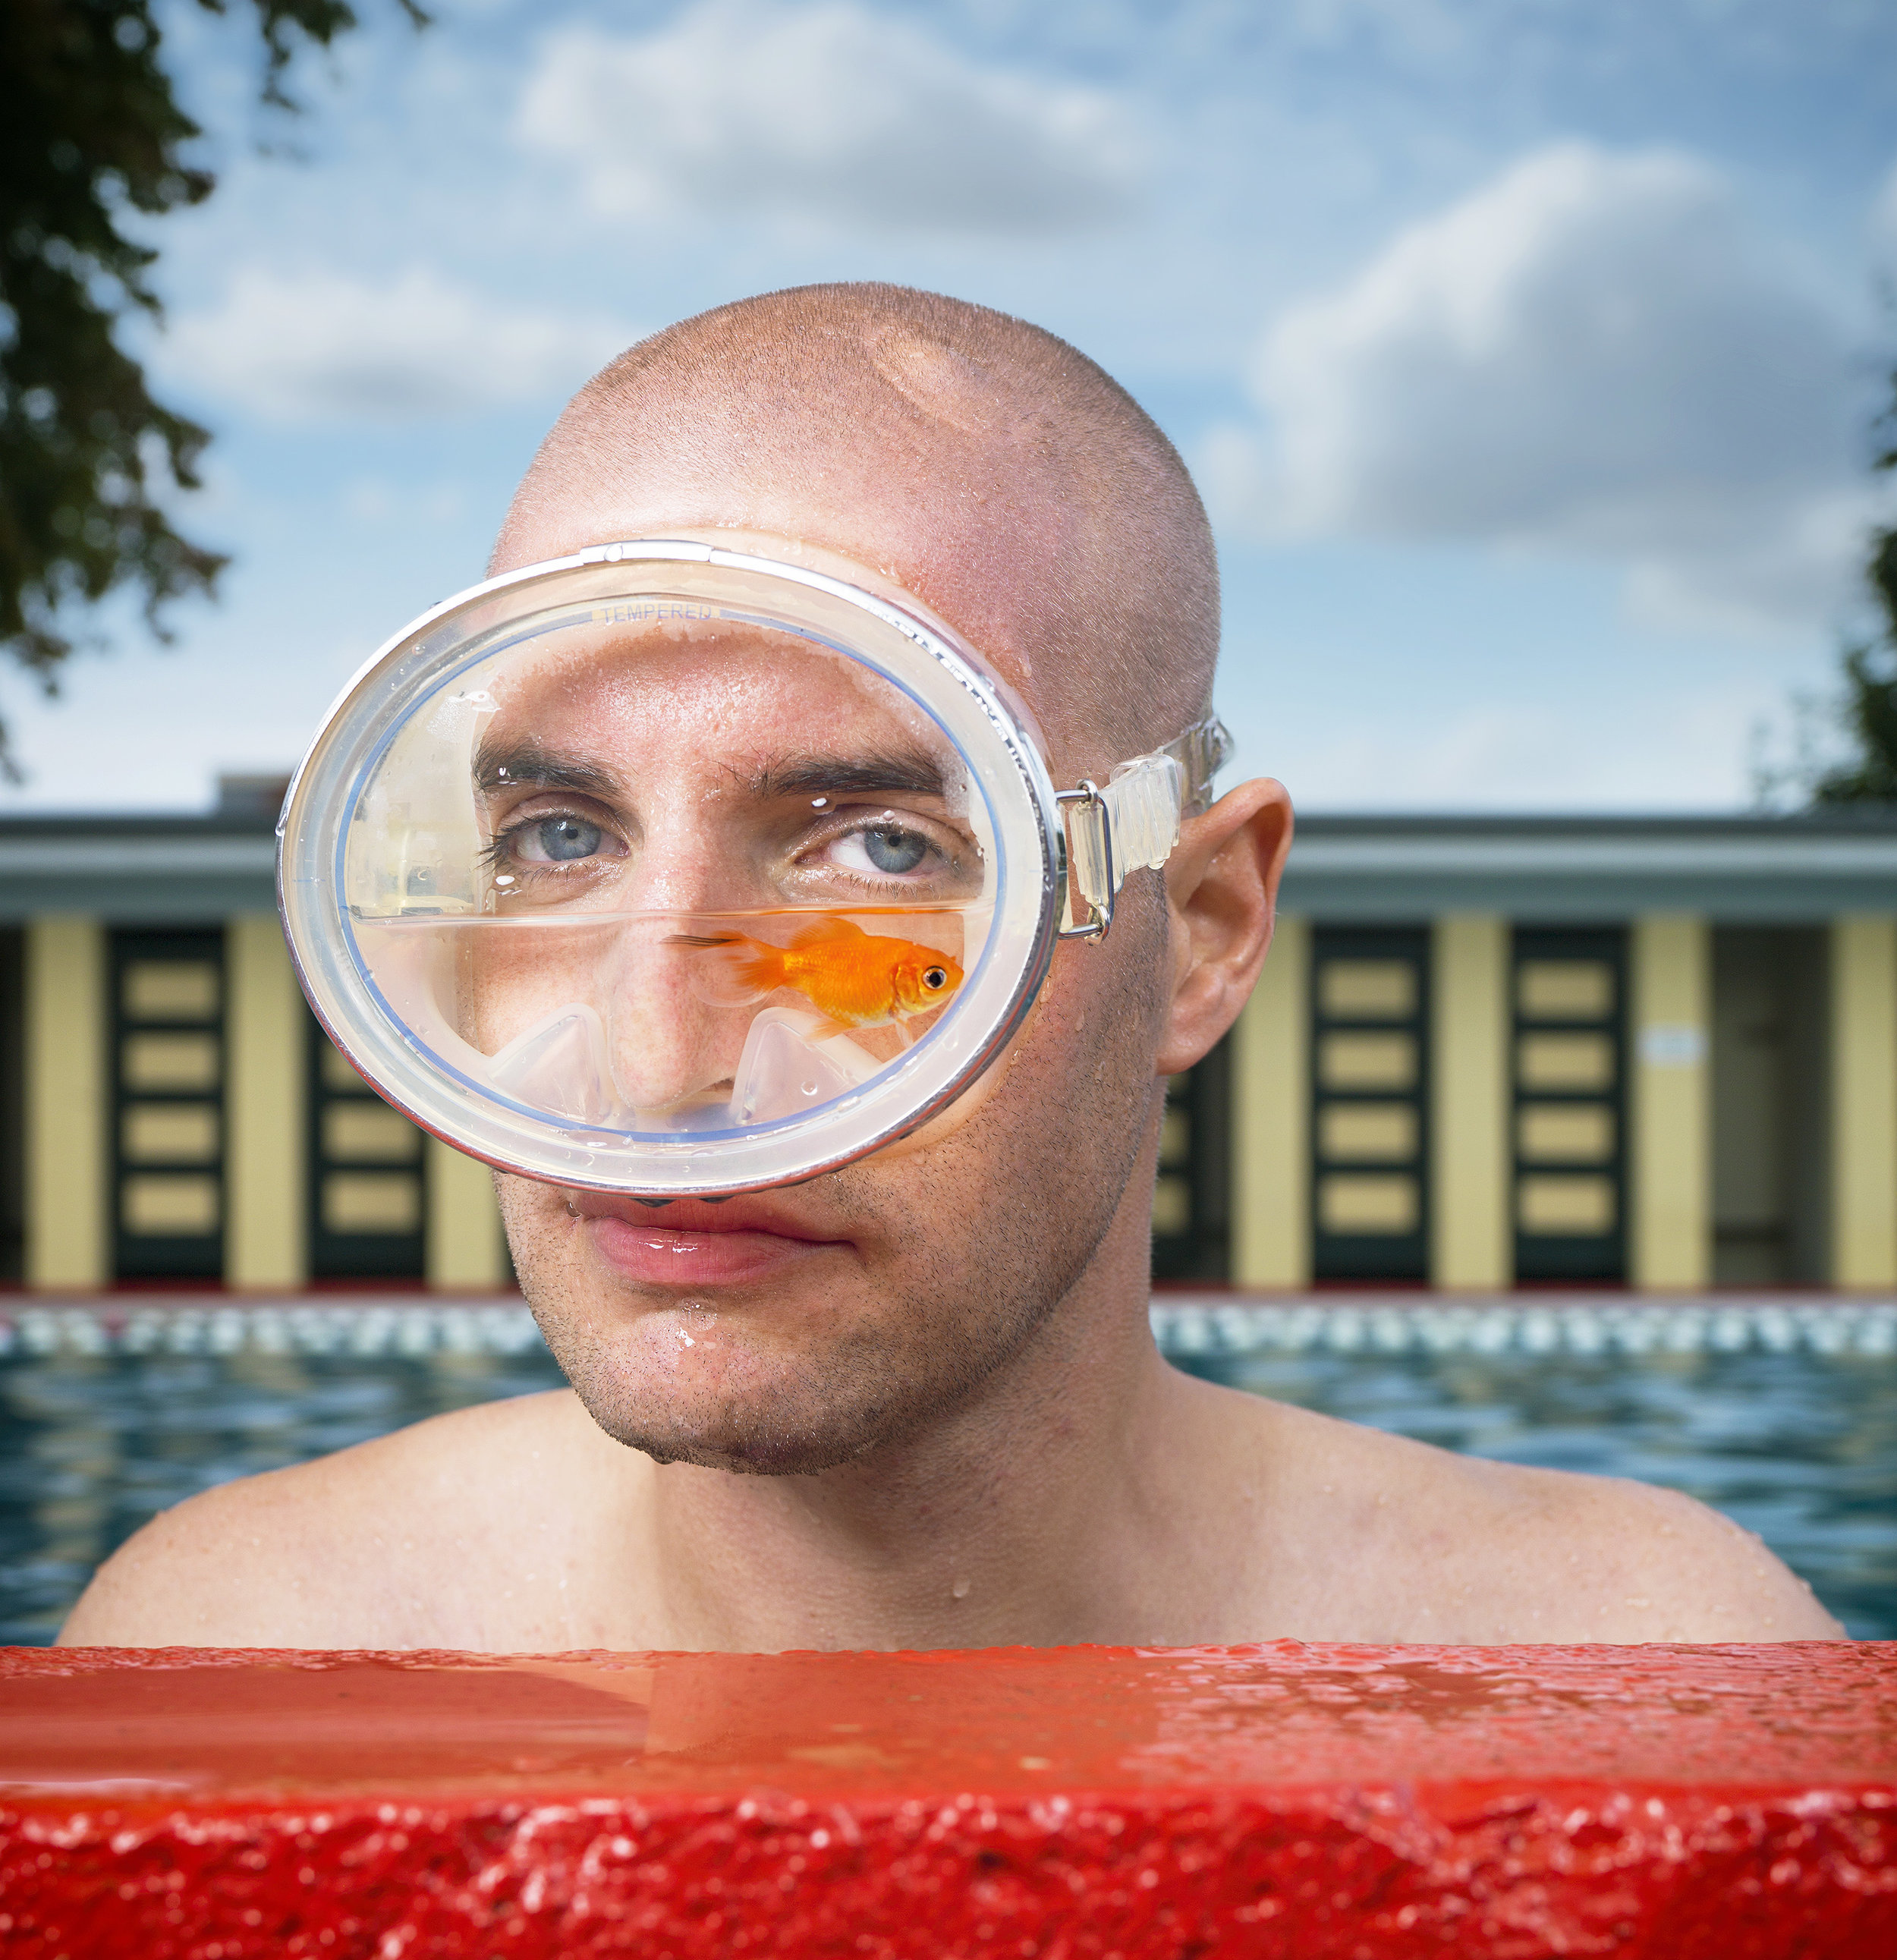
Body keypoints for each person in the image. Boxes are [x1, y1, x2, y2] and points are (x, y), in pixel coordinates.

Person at [63, 284, 1836, 1652]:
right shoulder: (253, 1638)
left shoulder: (1625, 1652)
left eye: (882, 847)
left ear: (1201, 929)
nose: (661, 1059)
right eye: (559, 837)